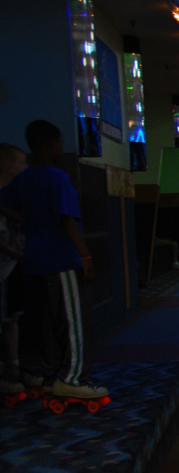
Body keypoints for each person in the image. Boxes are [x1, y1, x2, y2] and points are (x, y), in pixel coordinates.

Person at [0, 120, 107, 401]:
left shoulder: (24, 179)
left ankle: (51, 376)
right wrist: (84, 255)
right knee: (73, 321)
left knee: (46, 322)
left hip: (33, 259)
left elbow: (3, 202)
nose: (62, 148)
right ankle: (72, 378)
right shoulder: (56, 178)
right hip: (60, 257)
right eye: (60, 143)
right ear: (50, 146)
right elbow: (66, 220)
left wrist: (30, 221)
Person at [0, 143, 27, 399]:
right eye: (22, 163)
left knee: (12, 317)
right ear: (10, 168)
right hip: (5, 266)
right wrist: (17, 254)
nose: (25, 168)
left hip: (12, 265)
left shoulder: (12, 196)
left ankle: (14, 366)